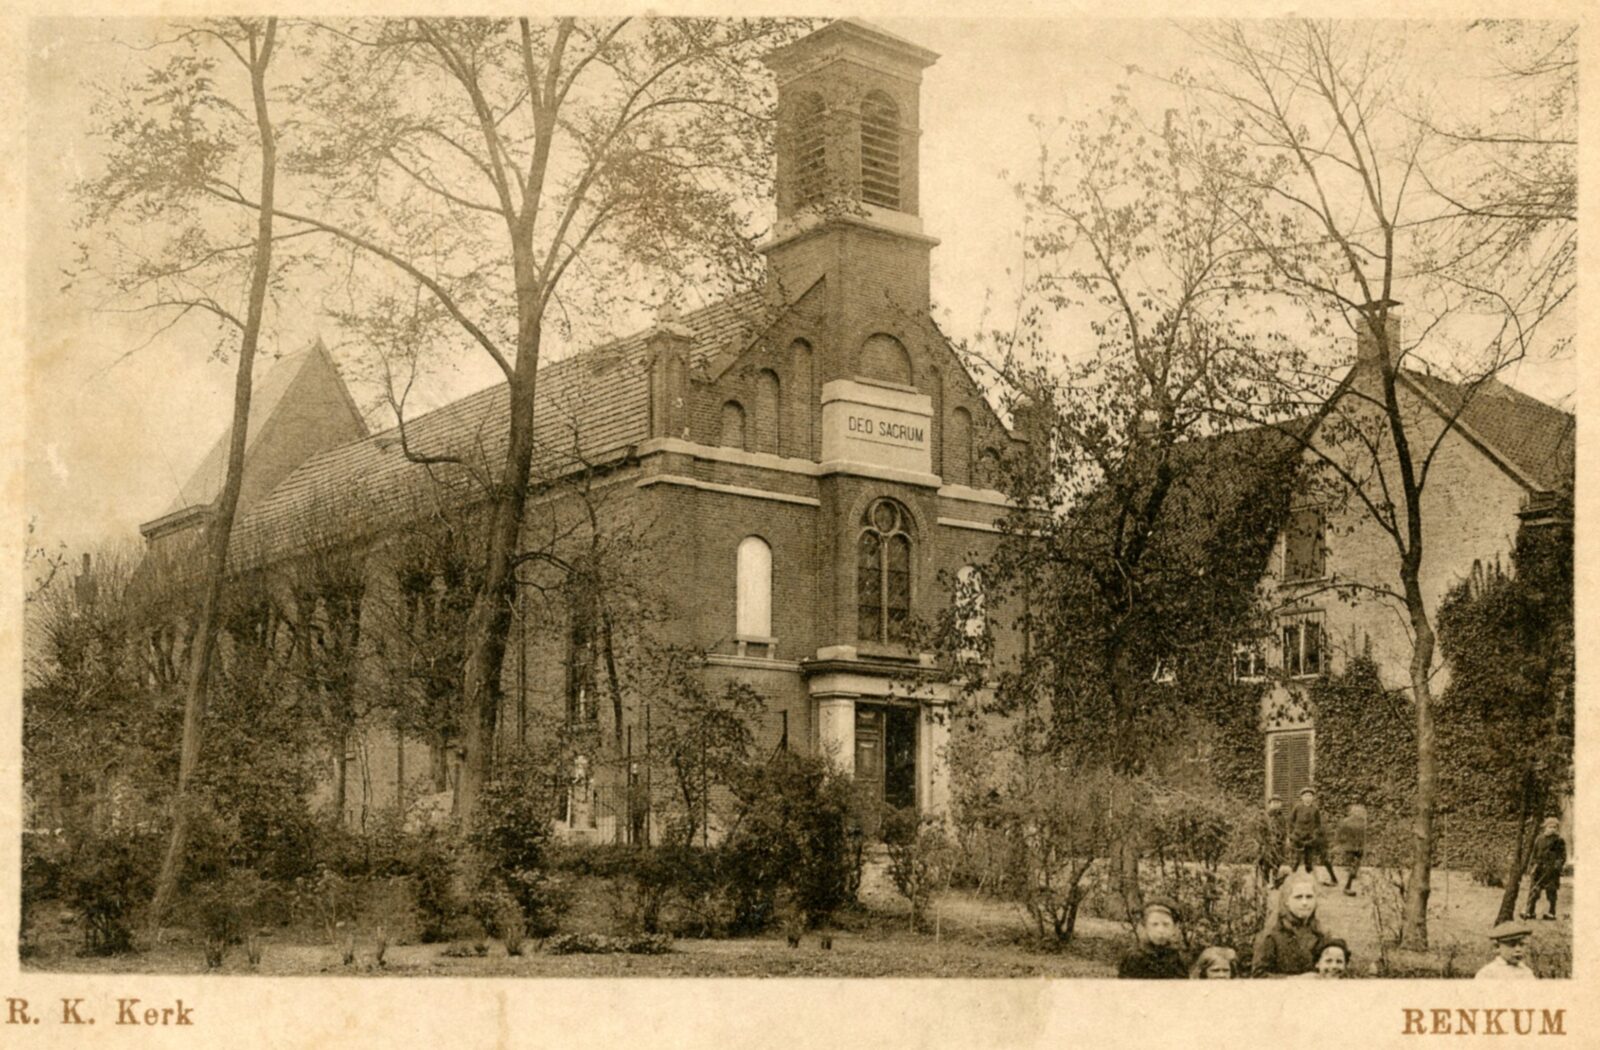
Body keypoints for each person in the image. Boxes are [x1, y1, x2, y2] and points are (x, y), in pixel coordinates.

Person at [1251, 873, 1326, 977]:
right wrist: (1294, 980)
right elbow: (1258, 975)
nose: (1304, 902)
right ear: (1286, 901)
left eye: (1309, 897)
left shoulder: (1320, 931)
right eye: (1298, 897)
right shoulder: (1272, 934)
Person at [1118, 898, 1189, 978]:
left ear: (1174, 927)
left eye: (1166, 924)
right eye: (1154, 924)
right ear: (1145, 927)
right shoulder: (1134, 958)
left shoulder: (1178, 959)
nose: (1160, 930)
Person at [1288, 787, 1337, 884]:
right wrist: (1293, 833)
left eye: (1310, 796)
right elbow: (1290, 821)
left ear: (1313, 798)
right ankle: (1290, 880)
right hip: (1298, 838)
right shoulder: (1297, 808)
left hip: (1310, 839)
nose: (1308, 798)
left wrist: (1314, 835)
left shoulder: (1315, 809)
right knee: (1296, 860)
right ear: (1302, 797)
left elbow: (1318, 825)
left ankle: (1309, 881)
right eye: (1305, 796)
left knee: (1308, 860)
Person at [1522, 817, 1566, 921]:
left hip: (1551, 871)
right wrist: (1533, 866)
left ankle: (1551, 912)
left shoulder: (1559, 841)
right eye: (1550, 827)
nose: (1553, 829)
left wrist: (1557, 864)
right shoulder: (1539, 839)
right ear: (1545, 827)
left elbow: (1562, 856)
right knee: (1534, 890)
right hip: (1539, 868)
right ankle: (1530, 912)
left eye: (1555, 827)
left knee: (1551, 891)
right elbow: (1534, 853)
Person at [1333, 803, 1367, 896]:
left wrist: (1363, 846)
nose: (1357, 813)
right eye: (1355, 811)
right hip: (1350, 847)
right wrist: (1339, 844)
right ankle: (1348, 886)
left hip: (1359, 847)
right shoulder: (1346, 822)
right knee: (1352, 865)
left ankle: (1352, 879)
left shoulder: (1362, 822)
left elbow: (1363, 836)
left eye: (1359, 811)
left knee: (1356, 865)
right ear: (1351, 812)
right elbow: (1339, 834)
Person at [1256, 797, 1288, 889]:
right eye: (1274, 803)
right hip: (1267, 844)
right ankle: (1265, 883)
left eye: (1278, 802)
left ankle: (1274, 882)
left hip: (1278, 844)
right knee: (1266, 864)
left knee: (1277, 863)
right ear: (1270, 804)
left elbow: (1284, 830)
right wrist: (1264, 841)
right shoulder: (1266, 816)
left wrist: (1282, 840)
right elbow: (1261, 829)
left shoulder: (1282, 817)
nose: (1276, 804)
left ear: (1280, 804)